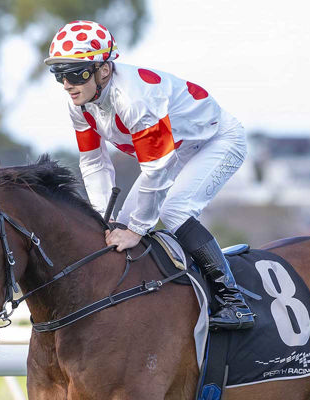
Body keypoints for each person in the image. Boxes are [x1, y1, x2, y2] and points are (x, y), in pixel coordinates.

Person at [44, 20, 254, 330]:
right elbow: (93, 162)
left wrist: (137, 229)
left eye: (75, 73)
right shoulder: (80, 104)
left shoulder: (135, 99)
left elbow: (156, 168)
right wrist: (106, 219)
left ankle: (234, 300)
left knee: (173, 210)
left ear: (104, 70)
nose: (67, 84)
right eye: (60, 74)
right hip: (176, 149)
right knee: (115, 229)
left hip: (218, 141)